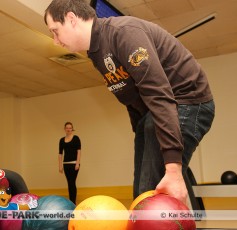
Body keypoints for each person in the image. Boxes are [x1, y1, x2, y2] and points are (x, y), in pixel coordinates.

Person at [44, 0, 215, 205]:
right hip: (152, 113)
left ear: (71, 19)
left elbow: (157, 93)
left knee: (149, 194)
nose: (55, 40)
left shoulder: (123, 33)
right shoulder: (96, 52)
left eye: (55, 31)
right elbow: (129, 95)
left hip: (187, 101)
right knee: (141, 191)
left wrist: (172, 167)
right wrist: (140, 136)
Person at [59, 122, 81, 204]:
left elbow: (79, 151)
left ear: (72, 129)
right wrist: (60, 166)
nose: (68, 129)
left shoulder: (76, 138)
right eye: (67, 128)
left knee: (72, 182)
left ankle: (73, 202)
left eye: (70, 128)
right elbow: (60, 154)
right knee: (69, 183)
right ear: (65, 129)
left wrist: (77, 163)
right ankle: (71, 202)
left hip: (74, 164)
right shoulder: (61, 140)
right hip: (66, 164)